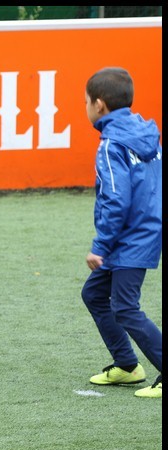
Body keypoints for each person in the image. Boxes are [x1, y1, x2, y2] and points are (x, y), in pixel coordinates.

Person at [80, 67, 162, 398]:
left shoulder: (111, 144)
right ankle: (128, 366)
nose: (86, 107)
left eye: (86, 102)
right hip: (140, 231)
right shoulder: (144, 133)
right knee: (94, 294)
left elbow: (116, 199)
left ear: (99, 104)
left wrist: (100, 246)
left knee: (126, 307)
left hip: (130, 238)